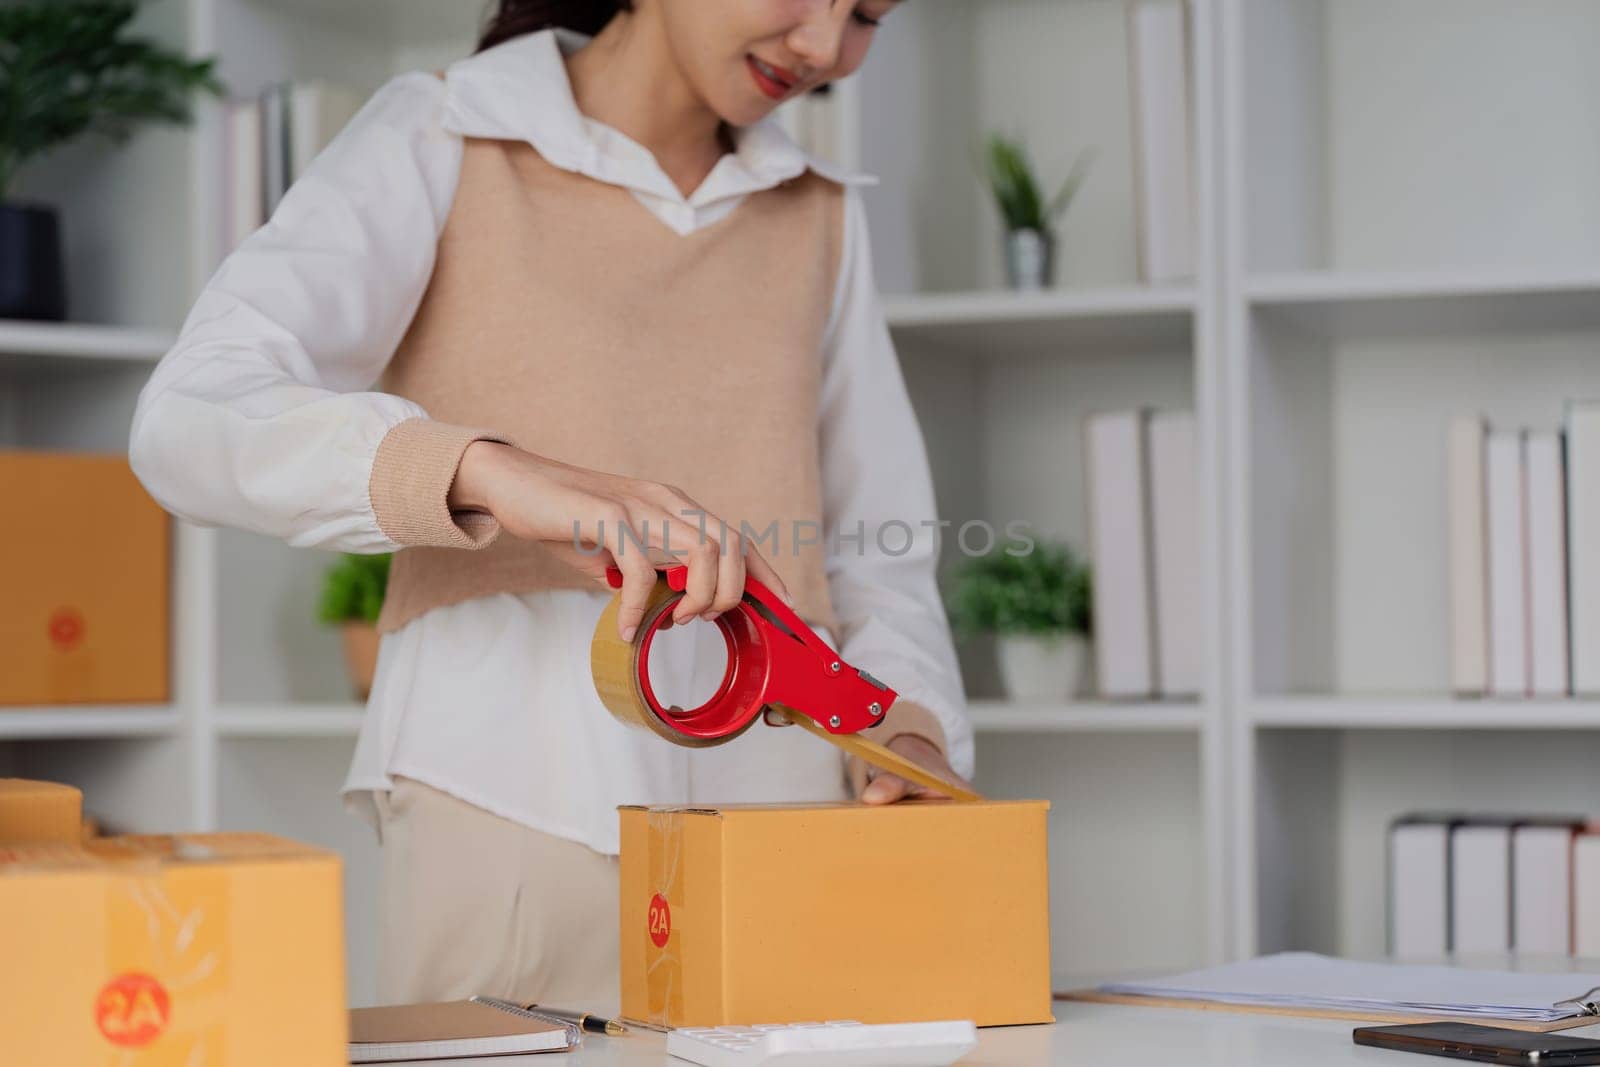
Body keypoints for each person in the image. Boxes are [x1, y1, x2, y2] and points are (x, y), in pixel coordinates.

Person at [129, 0, 973, 1013]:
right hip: (512, 792)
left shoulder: (821, 211)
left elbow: (877, 544)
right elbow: (188, 416)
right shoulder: (440, 133)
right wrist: (485, 469)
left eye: (870, 14)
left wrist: (910, 730)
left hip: (784, 825)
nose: (826, 48)